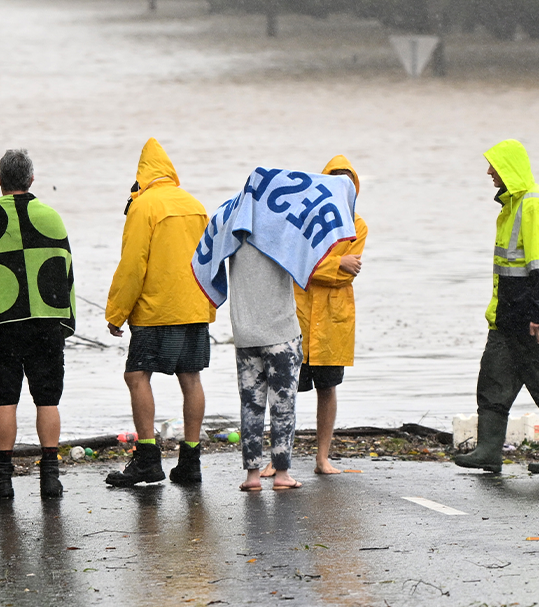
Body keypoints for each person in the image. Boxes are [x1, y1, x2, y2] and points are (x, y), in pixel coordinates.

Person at [453, 139, 539, 475]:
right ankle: (488, 452)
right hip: (508, 317)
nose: (489, 173)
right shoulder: (512, 206)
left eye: (494, 167)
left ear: (508, 169)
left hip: (533, 319)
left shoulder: (533, 205)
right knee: (492, 380)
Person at [0, 150, 76, 501]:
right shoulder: (51, 216)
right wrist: (64, 321)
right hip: (45, 322)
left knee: (5, 400)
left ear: (0, 180)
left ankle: (3, 478)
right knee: (47, 399)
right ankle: (50, 478)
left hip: (1, 324)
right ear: (31, 180)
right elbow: (65, 272)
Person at [104, 138, 213, 486]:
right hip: (194, 306)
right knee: (191, 378)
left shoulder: (144, 206)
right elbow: (210, 258)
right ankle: (190, 462)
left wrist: (116, 312)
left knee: (137, 376)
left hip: (156, 310)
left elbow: (133, 264)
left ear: (142, 175)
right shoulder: (195, 204)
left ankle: (148, 458)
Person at [263, 155, 366, 477]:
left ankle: (322, 458)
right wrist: (336, 264)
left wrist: (325, 267)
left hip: (333, 318)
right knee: (285, 388)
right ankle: (276, 458)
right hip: (298, 314)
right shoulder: (300, 221)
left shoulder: (357, 224)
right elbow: (292, 262)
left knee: (328, 387)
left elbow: (348, 274)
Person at [230, 242, 304, 491]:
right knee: (283, 405)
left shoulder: (233, 233)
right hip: (281, 333)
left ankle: (252, 476)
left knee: (251, 405)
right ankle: (282, 473)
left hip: (246, 334)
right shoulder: (284, 233)